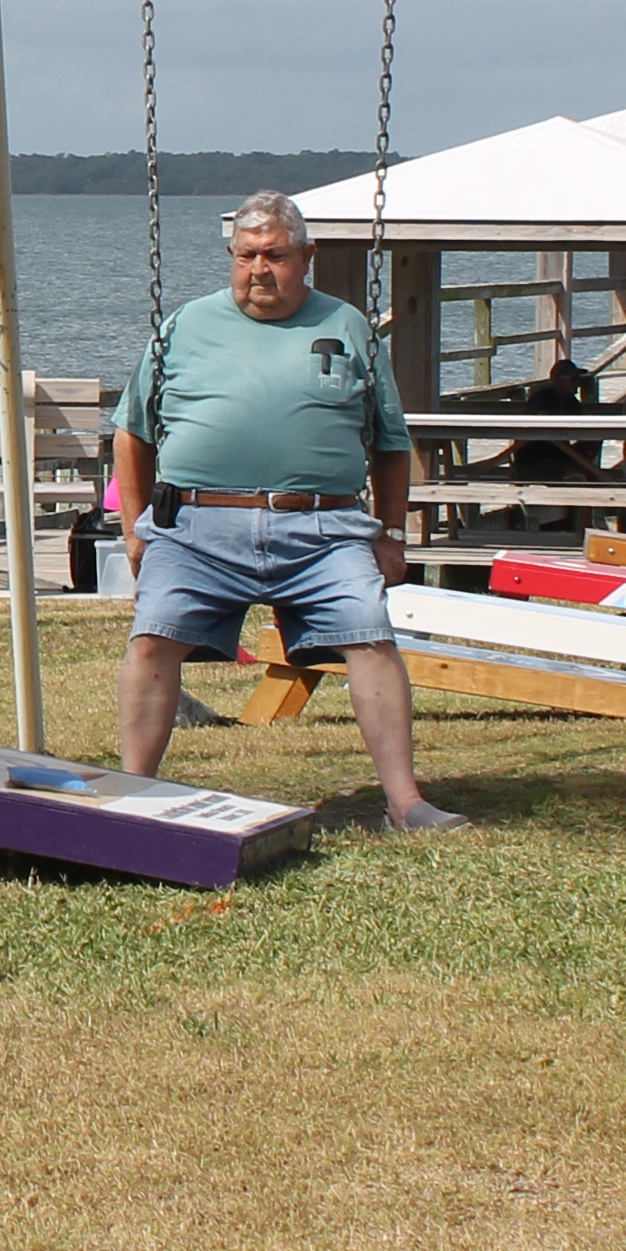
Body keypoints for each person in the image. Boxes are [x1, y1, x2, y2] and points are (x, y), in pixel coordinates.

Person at [113, 192, 464, 833]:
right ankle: (134, 794)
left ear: (306, 256)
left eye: (275, 255)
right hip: (197, 525)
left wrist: (391, 533)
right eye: (246, 256)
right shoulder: (186, 325)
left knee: (371, 637)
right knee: (152, 639)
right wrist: (136, 528)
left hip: (323, 529)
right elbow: (132, 432)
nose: (259, 269)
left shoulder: (349, 326)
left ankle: (406, 803)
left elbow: (391, 442)